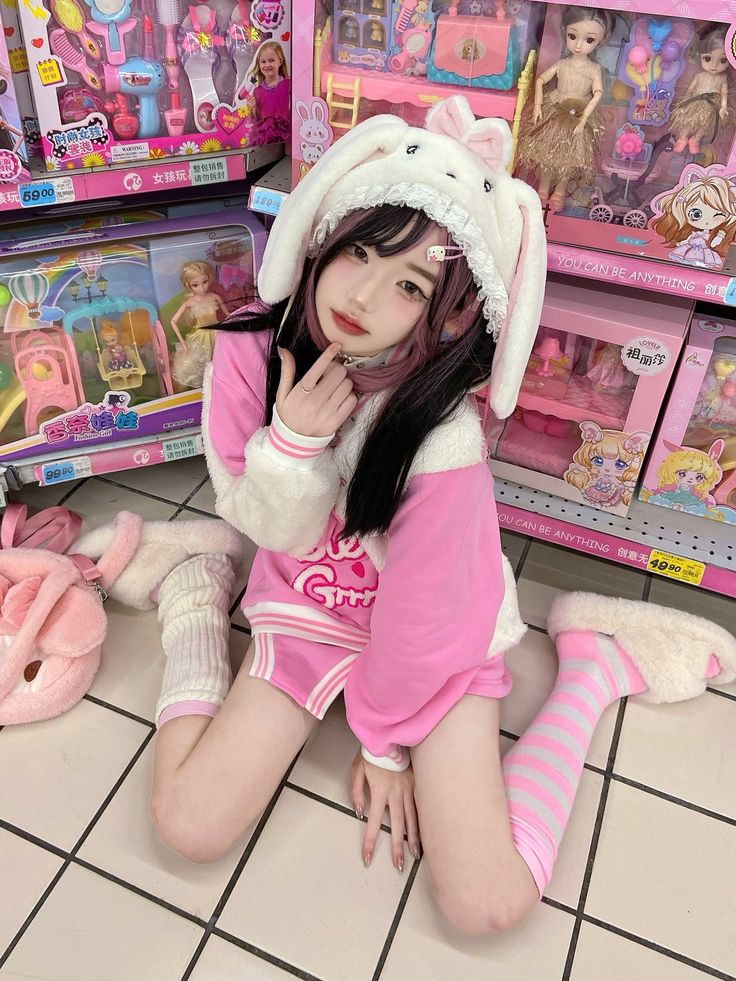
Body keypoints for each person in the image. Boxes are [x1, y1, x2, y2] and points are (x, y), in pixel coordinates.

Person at [148, 96, 736, 934]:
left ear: (449, 313)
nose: (363, 295)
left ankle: (594, 668)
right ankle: (193, 598)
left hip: (438, 630)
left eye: (410, 284)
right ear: (325, 233)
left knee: (487, 903)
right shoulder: (251, 348)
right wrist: (292, 443)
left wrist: (384, 740)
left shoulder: (440, 433)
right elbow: (264, 521)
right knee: (188, 824)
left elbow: (425, 620)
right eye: (359, 251)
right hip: (308, 602)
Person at [517, 5, 615, 212]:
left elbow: (598, 93)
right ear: (565, 33)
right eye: (572, 36)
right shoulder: (562, 64)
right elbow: (541, 80)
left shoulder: (594, 69)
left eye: (589, 40)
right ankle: (543, 189)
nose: (578, 45)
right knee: (547, 153)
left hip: (578, 114)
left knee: (569, 158)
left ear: (600, 41)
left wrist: (584, 118)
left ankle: (560, 192)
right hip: (555, 109)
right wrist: (537, 106)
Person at [244, 41, 291, 144]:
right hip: (264, 140)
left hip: (285, 138)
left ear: (280, 61)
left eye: (271, 60)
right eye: (263, 62)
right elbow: (256, 118)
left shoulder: (288, 85)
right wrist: (251, 108)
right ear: (259, 64)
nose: (267, 65)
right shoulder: (257, 91)